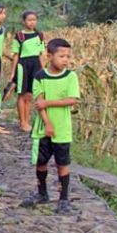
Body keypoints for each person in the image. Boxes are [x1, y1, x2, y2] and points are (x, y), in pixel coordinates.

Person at [21, 39, 80, 214]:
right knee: (41, 162)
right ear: (49, 56)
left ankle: (64, 198)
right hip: (43, 128)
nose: (65, 60)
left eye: (68, 57)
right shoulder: (40, 76)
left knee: (62, 163)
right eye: (61, 56)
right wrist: (47, 124)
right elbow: (39, 104)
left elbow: (71, 100)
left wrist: (49, 102)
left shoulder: (71, 76)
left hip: (62, 129)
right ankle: (42, 193)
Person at [9, 11, 46, 132]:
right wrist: (13, 72)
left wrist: (43, 69)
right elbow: (16, 55)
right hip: (23, 65)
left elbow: (41, 54)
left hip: (36, 65)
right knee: (22, 94)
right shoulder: (19, 36)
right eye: (29, 20)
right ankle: (22, 122)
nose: (32, 22)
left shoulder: (39, 35)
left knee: (30, 95)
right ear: (24, 21)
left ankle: (27, 120)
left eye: (34, 20)